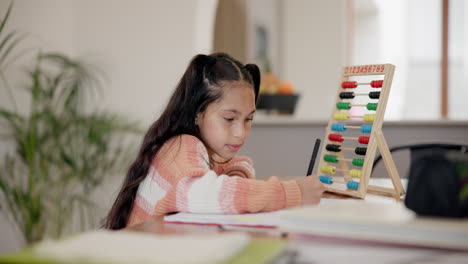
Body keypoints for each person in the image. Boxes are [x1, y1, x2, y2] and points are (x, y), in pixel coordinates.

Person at [104, 53, 325, 230]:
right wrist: (291, 193)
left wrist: (236, 173)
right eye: (229, 118)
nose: (240, 133)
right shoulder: (181, 146)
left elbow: (236, 167)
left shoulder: (206, 150)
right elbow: (211, 195)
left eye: (248, 119)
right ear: (197, 113)